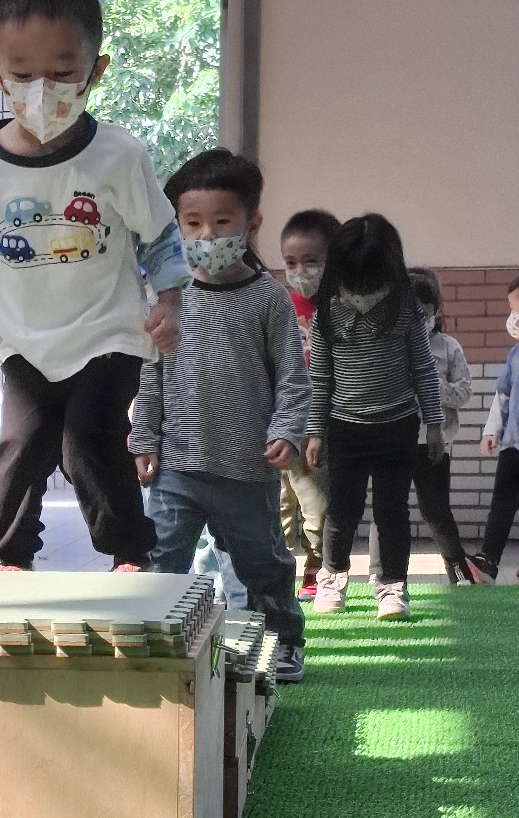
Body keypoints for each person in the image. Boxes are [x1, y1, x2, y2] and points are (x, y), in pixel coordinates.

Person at [0, 0, 190, 572]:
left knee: (89, 438)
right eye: (23, 75)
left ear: (95, 71)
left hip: (108, 334)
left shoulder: (119, 155)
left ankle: (129, 551)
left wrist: (170, 300)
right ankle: (11, 557)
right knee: (19, 447)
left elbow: (157, 233)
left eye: (61, 74)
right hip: (24, 342)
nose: (41, 91)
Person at [129, 148, 311, 683]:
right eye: (193, 223)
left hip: (247, 469)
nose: (207, 235)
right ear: (176, 226)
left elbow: (292, 377)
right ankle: (155, 646)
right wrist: (143, 438)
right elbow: (150, 375)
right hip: (176, 469)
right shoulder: (167, 300)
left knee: (264, 566)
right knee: (161, 561)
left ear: (252, 224)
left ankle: (283, 642)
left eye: (222, 222)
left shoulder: (268, 298)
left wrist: (287, 431)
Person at [304, 215, 444, 620]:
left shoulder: (405, 310)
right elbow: (320, 378)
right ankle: (332, 579)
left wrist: (434, 425)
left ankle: (392, 587)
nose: (363, 292)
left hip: (397, 427)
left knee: (392, 511)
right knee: (341, 511)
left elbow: (423, 368)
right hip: (344, 428)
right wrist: (315, 432)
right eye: (355, 282)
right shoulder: (327, 314)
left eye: (372, 282)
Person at [367, 269, 474, 585]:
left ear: (435, 312)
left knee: (436, 510)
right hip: (394, 440)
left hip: (433, 444)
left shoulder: (448, 347)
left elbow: (464, 392)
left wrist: (432, 384)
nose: (418, 319)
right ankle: (378, 573)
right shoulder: (389, 343)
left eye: (424, 313)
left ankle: (458, 571)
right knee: (386, 508)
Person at [279, 209, 340, 599]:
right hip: (280, 421)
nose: (300, 271)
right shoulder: (280, 306)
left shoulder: (339, 309)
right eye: (290, 263)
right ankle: (279, 568)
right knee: (280, 502)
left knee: (316, 501)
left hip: (322, 424)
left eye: (311, 261)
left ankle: (317, 567)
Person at [468, 274, 519, 582]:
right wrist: (491, 432)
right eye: (512, 309)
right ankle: (488, 562)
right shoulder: (514, 355)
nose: (514, 317)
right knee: (501, 503)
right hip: (513, 444)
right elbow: (502, 396)